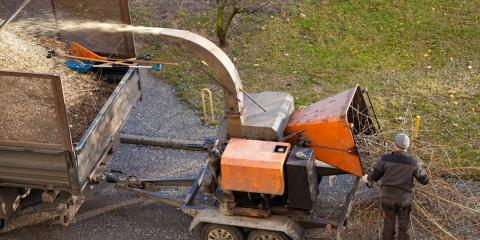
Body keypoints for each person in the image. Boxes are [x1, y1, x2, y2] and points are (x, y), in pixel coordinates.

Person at [361, 133, 429, 240]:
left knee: (388, 223)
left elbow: (375, 176)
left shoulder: (385, 158)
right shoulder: (413, 162)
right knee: (404, 225)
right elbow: (425, 180)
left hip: (388, 198)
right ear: (407, 147)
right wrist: (419, 168)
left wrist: (367, 178)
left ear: (395, 145)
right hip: (404, 200)